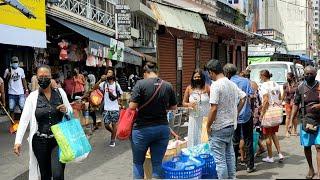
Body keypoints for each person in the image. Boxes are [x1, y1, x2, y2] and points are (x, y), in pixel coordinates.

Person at [13, 65, 73, 180]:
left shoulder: (60, 93)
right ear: (36, 78)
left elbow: (69, 110)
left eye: (46, 76)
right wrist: (18, 142)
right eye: (41, 76)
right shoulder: (32, 97)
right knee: (45, 175)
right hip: (40, 142)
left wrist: (66, 110)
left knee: (57, 174)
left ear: (51, 77)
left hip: (58, 140)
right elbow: (24, 120)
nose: (43, 79)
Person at [128, 62, 177, 179]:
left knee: (138, 162)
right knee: (157, 164)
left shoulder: (140, 84)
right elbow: (174, 107)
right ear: (157, 72)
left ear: (145, 73)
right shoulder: (167, 85)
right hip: (161, 129)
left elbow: (131, 106)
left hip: (141, 130)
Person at [206, 59, 246, 179]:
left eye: (209, 73)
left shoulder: (215, 85)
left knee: (220, 160)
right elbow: (243, 97)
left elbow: (213, 108)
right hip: (231, 125)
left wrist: (208, 126)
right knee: (229, 156)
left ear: (211, 72)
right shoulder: (231, 83)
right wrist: (236, 112)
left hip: (219, 127)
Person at [224, 64, 255, 173]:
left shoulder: (227, 83)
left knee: (234, 142)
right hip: (246, 114)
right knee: (248, 140)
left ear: (227, 73)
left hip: (232, 117)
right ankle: (250, 166)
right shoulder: (246, 81)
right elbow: (252, 95)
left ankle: (234, 166)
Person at [290, 66, 320, 179]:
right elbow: (296, 104)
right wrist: (290, 121)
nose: (308, 76)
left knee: (318, 147)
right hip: (306, 121)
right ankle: (311, 169)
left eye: (310, 74)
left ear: (315, 74)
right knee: (307, 146)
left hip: (319, 121)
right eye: (306, 74)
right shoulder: (300, 87)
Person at [93, 67, 123, 147]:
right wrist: (100, 80)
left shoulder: (116, 85)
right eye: (107, 72)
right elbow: (94, 88)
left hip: (115, 108)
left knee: (114, 124)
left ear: (113, 74)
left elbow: (120, 95)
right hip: (106, 108)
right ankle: (114, 132)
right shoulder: (104, 84)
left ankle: (112, 140)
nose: (108, 74)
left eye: (110, 72)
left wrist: (121, 104)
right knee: (106, 125)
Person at [259, 70, 284, 163]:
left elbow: (265, 100)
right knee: (273, 134)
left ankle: (270, 157)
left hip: (268, 113)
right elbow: (280, 97)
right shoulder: (276, 84)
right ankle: (280, 153)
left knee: (267, 136)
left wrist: (262, 113)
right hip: (276, 113)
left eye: (260, 76)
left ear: (263, 76)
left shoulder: (264, 86)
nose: (260, 78)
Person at [182, 69, 210, 147]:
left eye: (199, 77)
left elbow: (213, 102)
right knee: (193, 136)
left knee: (204, 138)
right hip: (193, 117)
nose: (197, 78)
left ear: (202, 77)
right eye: (195, 77)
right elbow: (183, 103)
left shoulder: (207, 88)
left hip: (205, 118)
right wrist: (189, 104)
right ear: (192, 78)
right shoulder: (189, 88)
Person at [283, 72, 298, 137]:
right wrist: (281, 101)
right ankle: (287, 131)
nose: (287, 78)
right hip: (287, 102)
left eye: (288, 77)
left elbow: (299, 94)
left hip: (295, 102)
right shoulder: (285, 85)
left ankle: (295, 131)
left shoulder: (297, 85)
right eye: (287, 77)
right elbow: (283, 93)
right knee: (288, 117)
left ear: (292, 78)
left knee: (295, 117)